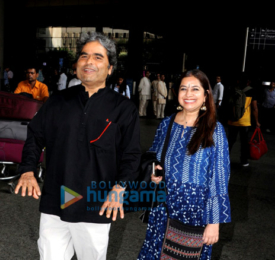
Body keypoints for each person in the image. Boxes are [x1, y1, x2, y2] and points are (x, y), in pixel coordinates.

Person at [15, 32, 141, 260]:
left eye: (98, 57)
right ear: (76, 64)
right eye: (84, 56)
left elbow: (131, 154)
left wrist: (121, 187)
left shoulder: (123, 108)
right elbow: (35, 135)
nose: (89, 62)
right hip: (57, 198)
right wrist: (27, 170)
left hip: (96, 202)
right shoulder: (57, 101)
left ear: (110, 68)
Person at [138, 69, 231, 260]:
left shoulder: (215, 130)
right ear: (177, 93)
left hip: (195, 210)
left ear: (206, 95)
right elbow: (152, 155)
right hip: (162, 208)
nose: (188, 94)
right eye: (183, 88)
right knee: (155, 254)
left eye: (195, 89)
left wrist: (214, 222)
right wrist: (153, 172)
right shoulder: (166, 123)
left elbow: (220, 177)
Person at [228, 78, 260, 166]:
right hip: (245, 122)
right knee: (244, 142)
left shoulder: (233, 90)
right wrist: (256, 121)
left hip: (232, 121)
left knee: (230, 141)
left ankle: (224, 158)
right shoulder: (252, 91)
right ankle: (244, 161)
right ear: (248, 81)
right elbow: (254, 108)